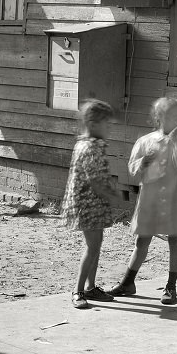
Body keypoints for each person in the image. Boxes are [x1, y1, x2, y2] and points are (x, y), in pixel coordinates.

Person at [108, 97, 177, 305]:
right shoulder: (146, 141)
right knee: (142, 240)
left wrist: (175, 147)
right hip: (150, 199)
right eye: (174, 116)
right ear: (159, 118)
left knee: (175, 239)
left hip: (174, 196)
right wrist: (144, 161)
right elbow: (132, 169)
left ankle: (171, 286)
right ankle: (128, 282)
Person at [62, 98, 119, 309]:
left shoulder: (85, 144)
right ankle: (78, 291)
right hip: (88, 204)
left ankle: (91, 287)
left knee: (96, 245)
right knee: (92, 247)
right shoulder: (92, 147)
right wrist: (112, 192)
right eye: (107, 123)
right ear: (94, 124)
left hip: (91, 204)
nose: (109, 128)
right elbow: (94, 179)